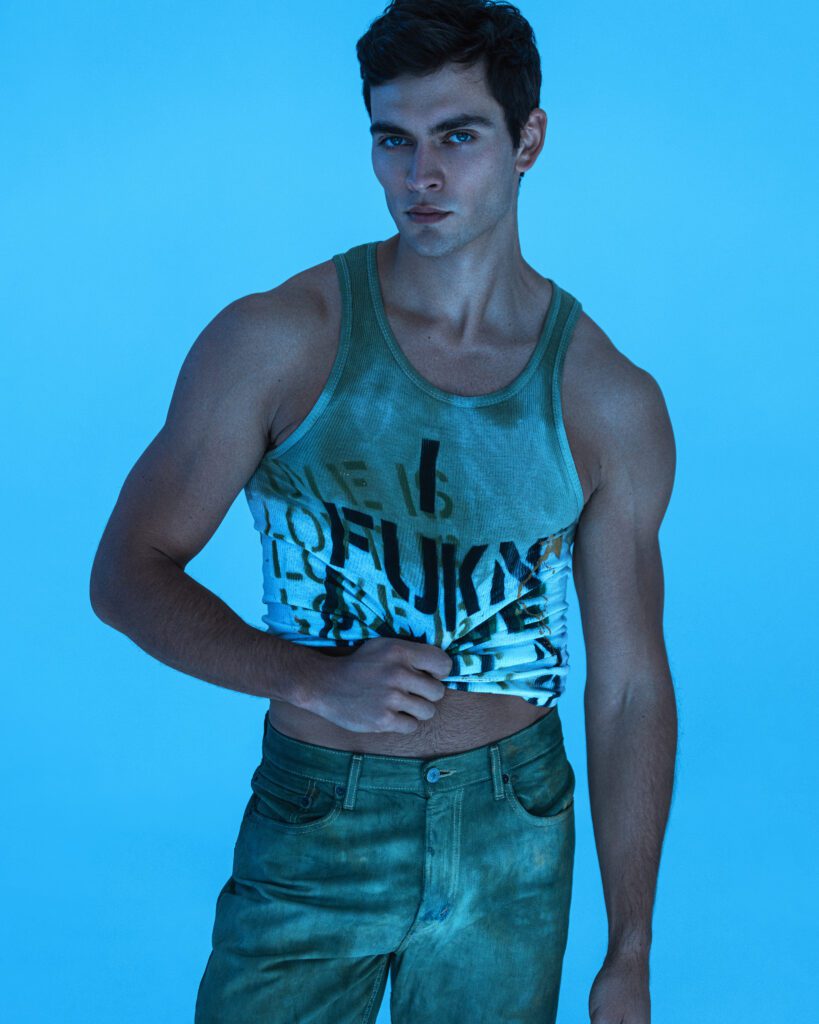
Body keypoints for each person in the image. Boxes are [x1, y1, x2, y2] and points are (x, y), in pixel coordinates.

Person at [89, 1, 677, 1021]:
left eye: (458, 136)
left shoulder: (605, 398)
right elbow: (126, 571)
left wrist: (629, 950)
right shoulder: (279, 339)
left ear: (528, 139)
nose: (421, 176)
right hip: (321, 809)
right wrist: (312, 677)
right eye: (393, 140)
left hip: (513, 829)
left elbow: (627, 685)